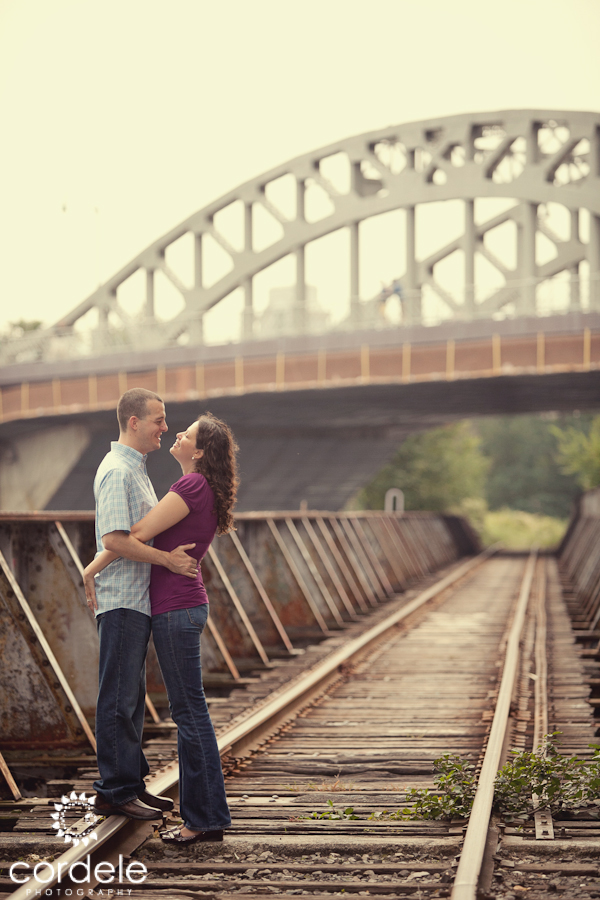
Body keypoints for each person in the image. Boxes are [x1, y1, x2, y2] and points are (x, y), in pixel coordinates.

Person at [84, 411, 238, 843]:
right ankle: (205, 815)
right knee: (192, 712)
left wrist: (96, 563)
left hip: (176, 608)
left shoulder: (189, 485)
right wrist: (95, 567)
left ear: (200, 451)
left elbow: (137, 531)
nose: (176, 434)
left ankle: (203, 819)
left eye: (185, 433)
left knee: (190, 714)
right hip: (182, 607)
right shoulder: (200, 487)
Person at [89, 387, 199, 822]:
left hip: (136, 600)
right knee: (118, 697)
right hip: (121, 601)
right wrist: (167, 560)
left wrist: (88, 569)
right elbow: (116, 539)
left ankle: (130, 784)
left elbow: (128, 533)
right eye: (158, 419)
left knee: (131, 697)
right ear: (134, 422)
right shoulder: (118, 470)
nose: (165, 427)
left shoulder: (134, 469)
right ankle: (114, 790)